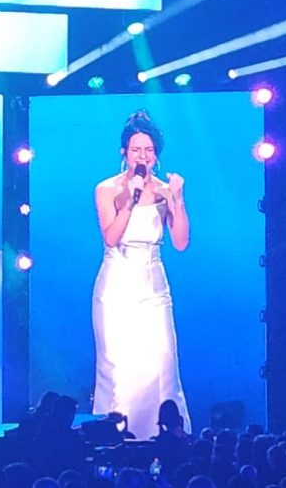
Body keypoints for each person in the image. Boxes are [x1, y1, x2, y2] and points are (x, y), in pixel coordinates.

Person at [92, 109, 190, 440]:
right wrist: (131, 201)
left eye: (148, 150)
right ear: (124, 152)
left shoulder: (164, 190)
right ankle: (116, 439)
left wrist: (177, 200)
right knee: (119, 367)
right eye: (136, 150)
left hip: (153, 285)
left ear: (156, 155)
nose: (142, 156)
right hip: (117, 285)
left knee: (162, 362)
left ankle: (164, 439)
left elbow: (181, 243)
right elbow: (111, 237)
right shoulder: (107, 189)